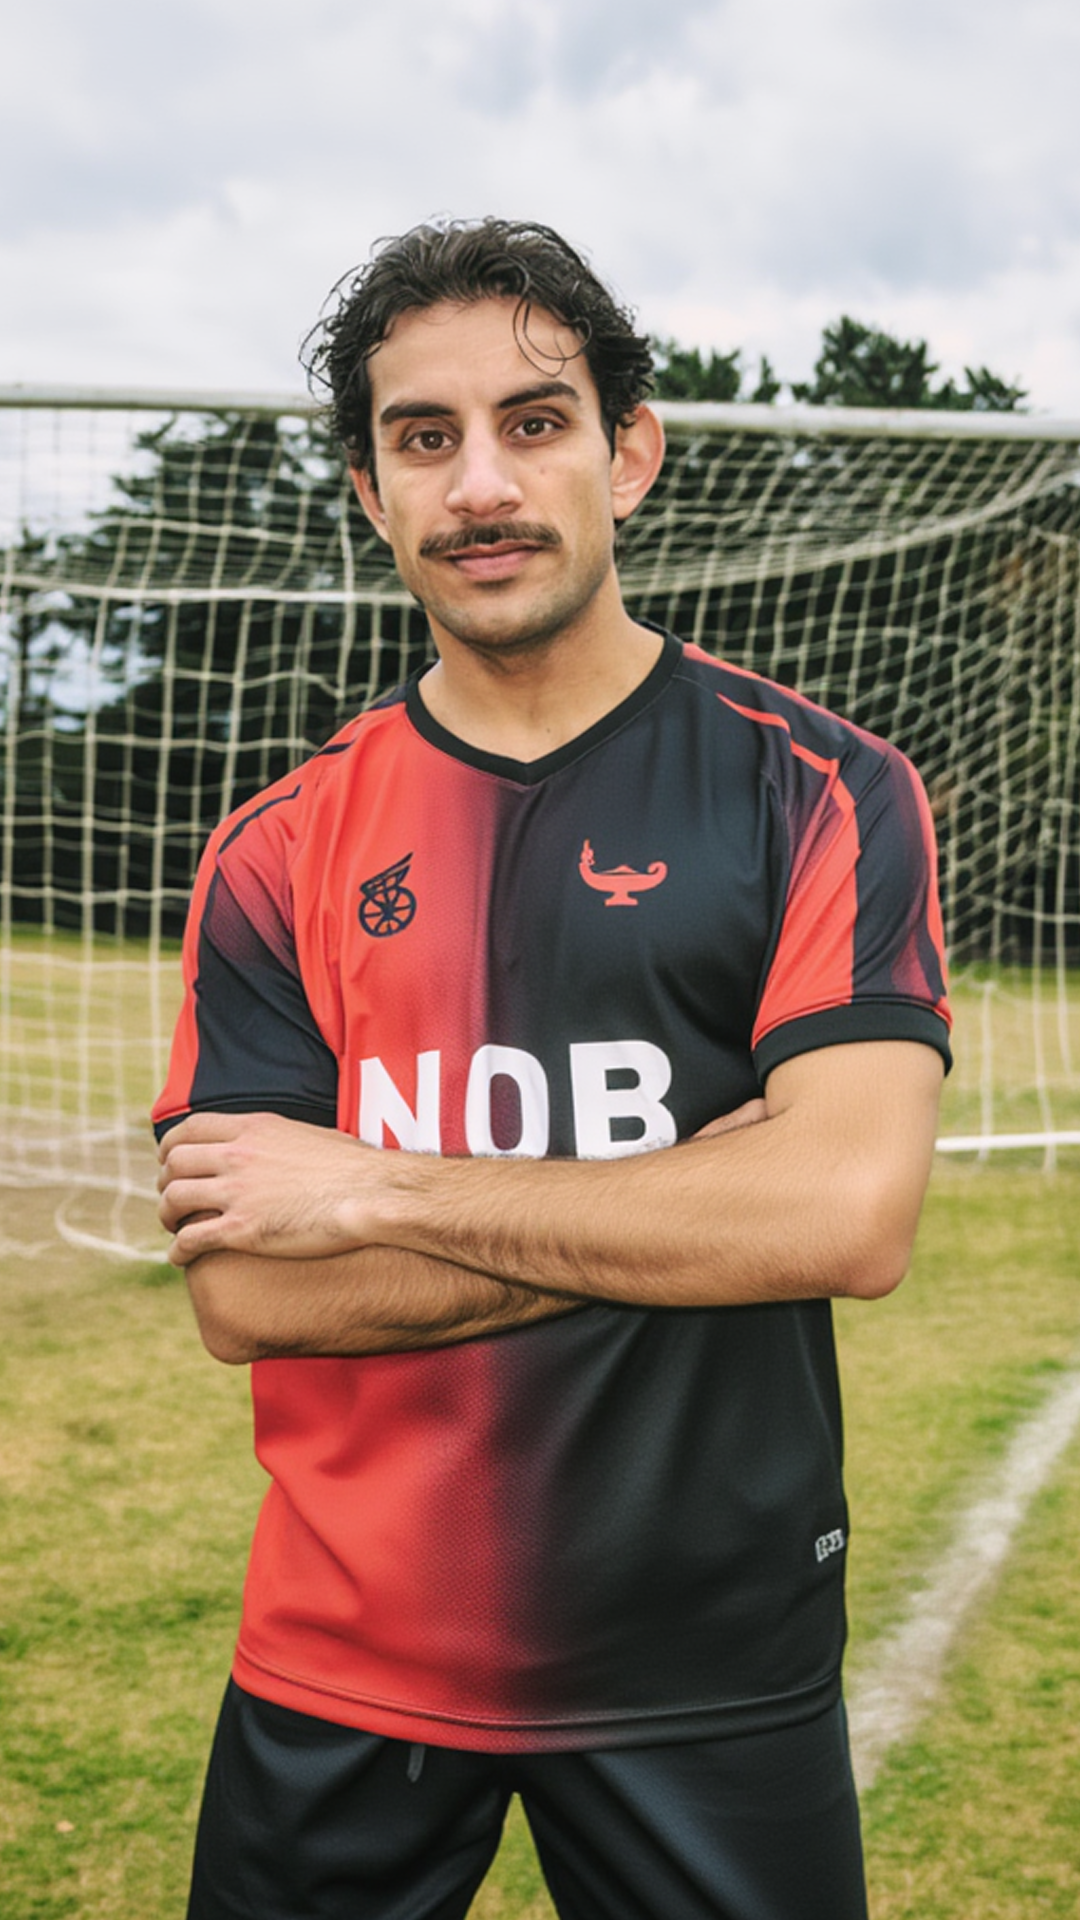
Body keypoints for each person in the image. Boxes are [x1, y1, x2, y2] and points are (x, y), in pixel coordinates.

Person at [154, 217, 951, 1920]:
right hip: (343, 1656)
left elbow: (844, 1216)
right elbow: (250, 1295)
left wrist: (379, 1189)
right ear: (371, 493)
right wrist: (702, 1198)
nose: (480, 485)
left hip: (712, 1659)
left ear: (628, 453)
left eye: (533, 422)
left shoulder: (819, 790)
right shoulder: (276, 851)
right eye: (421, 438)